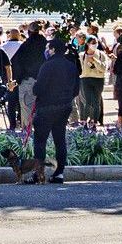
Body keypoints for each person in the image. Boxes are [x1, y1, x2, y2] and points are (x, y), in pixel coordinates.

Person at [29, 37, 79, 183]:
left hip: (46, 107)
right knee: (60, 140)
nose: (47, 50)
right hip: (64, 107)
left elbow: (38, 89)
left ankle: (39, 174)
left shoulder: (47, 65)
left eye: (48, 48)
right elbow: (76, 89)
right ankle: (59, 173)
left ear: (53, 49)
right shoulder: (71, 66)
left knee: (40, 141)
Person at [10, 22, 46, 129]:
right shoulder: (47, 45)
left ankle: (27, 136)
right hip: (46, 81)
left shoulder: (25, 46)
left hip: (28, 81)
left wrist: (17, 80)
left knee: (27, 110)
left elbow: (16, 64)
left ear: (29, 32)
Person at [78, 38, 108, 126]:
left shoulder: (101, 54)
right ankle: (84, 121)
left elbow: (103, 68)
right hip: (85, 79)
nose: (94, 45)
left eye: (96, 43)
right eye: (92, 43)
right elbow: (81, 70)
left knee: (96, 101)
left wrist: (95, 61)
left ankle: (95, 121)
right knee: (87, 101)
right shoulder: (81, 55)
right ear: (87, 44)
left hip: (98, 79)